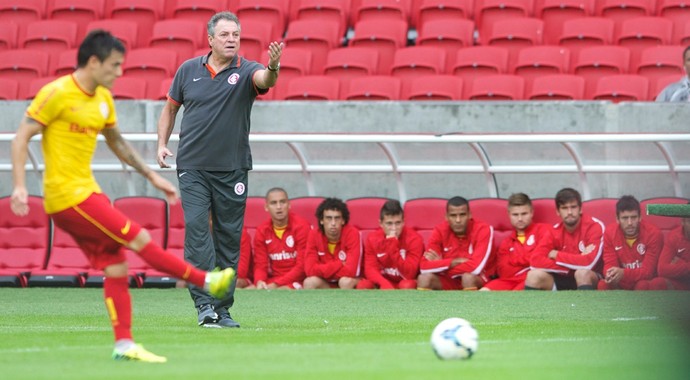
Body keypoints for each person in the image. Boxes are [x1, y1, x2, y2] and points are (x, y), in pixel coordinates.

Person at [9, 30, 235, 363]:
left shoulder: (102, 99)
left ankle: (124, 344)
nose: (119, 72)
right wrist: (19, 186)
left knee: (116, 265)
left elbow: (116, 143)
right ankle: (206, 280)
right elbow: (21, 138)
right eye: (114, 65)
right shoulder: (56, 93)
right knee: (139, 238)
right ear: (94, 62)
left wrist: (152, 177)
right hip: (66, 197)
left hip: (88, 193)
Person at [155, 11, 283, 328]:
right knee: (198, 233)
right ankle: (204, 306)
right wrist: (161, 143)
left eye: (235, 35)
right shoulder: (187, 71)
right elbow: (170, 109)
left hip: (233, 170)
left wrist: (273, 67)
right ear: (210, 39)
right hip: (193, 168)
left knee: (228, 240)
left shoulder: (249, 70)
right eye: (225, 35)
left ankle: (223, 308)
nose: (231, 40)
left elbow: (265, 80)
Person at [525, 188, 605, 290]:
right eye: (564, 208)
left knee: (582, 273)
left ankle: (586, 305)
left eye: (573, 207)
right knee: (533, 276)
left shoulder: (594, 226)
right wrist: (575, 263)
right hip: (562, 276)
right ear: (558, 211)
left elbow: (588, 263)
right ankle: (531, 306)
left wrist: (556, 255)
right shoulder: (554, 231)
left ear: (580, 209)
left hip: (590, 277)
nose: (569, 212)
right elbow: (535, 261)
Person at [417, 196, 494, 291]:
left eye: (462, 215)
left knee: (467, 278)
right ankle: (428, 306)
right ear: (446, 217)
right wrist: (454, 262)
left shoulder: (483, 229)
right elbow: (424, 267)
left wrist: (440, 265)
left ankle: (471, 306)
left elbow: (475, 268)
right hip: (449, 280)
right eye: (453, 216)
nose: (458, 220)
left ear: (469, 215)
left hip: (478, 277)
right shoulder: (440, 230)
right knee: (424, 279)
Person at [481, 193, 554, 291]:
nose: (520, 219)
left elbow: (541, 260)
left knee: (519, 291)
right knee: (484, 291)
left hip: (536, 279)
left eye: (524, 214)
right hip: (510, 281)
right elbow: (505, 273)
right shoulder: (506, 243)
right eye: (515, 215)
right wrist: (529, 258)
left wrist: (514, 260)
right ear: (509, 215)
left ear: (532, 212)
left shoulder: (544, 230)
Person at [598, 195, 667, 290]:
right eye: (625, 218)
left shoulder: (653, 234)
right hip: (622, 281)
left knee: (642, 286)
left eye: (633, 217)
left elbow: (648, 272)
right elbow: (609, 263)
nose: (630, 223)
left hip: (643, 281)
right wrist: (610, 273)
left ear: (640, 217)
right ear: (617, 219)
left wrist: (623, 273)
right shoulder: (610, 233)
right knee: (603, 285)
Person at [356, 199, 424, 290]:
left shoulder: (415, 239)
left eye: (398, 223)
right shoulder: (372, 239)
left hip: (404, 281)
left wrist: (392, 244)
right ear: (380, 223)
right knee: (363, 285)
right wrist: (385, 284)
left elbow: (409, 274)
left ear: (403, 222)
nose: (394, 229)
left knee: (407, 285)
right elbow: (370, 269)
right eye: (389, 224)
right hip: (384, 281)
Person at [252, 187, 311, 289]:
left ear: (289, 205)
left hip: (298, 280)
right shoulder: (262, 230)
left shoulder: (302, 226)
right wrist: (260, 281)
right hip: (274, 281)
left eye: (282, 202)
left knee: (282, 290)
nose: (279, 207)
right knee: (250, 291)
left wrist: (276, 284)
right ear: (266, 207)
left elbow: (302, 267)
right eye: (273, 203)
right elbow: (260, 265)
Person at [303, 198, 362, 289]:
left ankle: (347, 303)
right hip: (325, 282)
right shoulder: (313, 234)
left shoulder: (352, 233)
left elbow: (351, 272)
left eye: (337, 218)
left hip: (347, 281)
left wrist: (322, 270)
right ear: (321, 220)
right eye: (329, 218)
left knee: (345, 282)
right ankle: (315, 304)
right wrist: (339, 264)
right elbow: (309, 270)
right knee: (309, 282)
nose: (333, 223)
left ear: (343, 221)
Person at [657, 210, 690, 290]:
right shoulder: (674, 236)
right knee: (657, 283)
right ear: (683, 222)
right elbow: (662, 270)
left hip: (681, 278)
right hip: (682, 283)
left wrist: (680, 263)